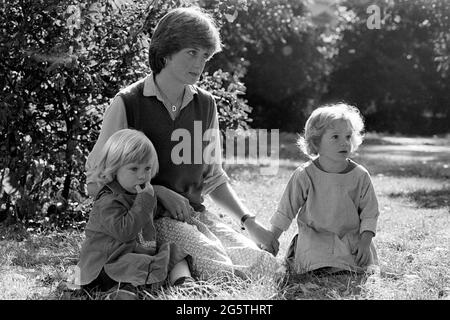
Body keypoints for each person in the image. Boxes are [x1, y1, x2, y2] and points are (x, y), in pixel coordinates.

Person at [85, 7, 280, 280]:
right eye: (191, 52)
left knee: (266, 267)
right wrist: (157, 191)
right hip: (149, 222)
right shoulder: (128, 103)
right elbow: (98, 177)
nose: (199, 64)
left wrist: (249, 222)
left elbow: (213, 178)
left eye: (205, 56)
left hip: (193, 215)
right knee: (219, 270)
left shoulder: (206, 104)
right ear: (165, 53)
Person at [77, 129, 194, 299]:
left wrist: (166, 210)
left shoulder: (139, 194)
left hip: (135, 255)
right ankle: (121, 293)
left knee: (174, 252)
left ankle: (184, 282)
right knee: (134, 264)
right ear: (114, 169)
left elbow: (148, 215)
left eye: (147, 168)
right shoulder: (108, 201)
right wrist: (145, 201)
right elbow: (125, 232)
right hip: (107, 264)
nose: (142, 175)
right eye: (134, 168)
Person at [269, 103, 380, 274]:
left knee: (356, 260)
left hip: (349, 237)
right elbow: (286, 210)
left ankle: (338, 264)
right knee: (313, 256)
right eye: (335, 137)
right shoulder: (305, 174)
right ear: (316, 142)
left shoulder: (360, 176)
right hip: (315, 237)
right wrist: (270, 240)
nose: (344, 142)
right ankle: (320, 263)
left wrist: (365, 243)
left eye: (348, 136)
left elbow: (369, 213)